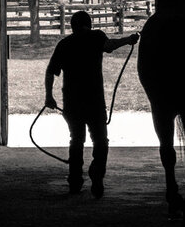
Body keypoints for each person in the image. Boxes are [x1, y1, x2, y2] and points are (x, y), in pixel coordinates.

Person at [45, 10, 139, 197]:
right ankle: (97, 178)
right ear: (89, 24)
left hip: (72, 102)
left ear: (72, 26)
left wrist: (49, 96)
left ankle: (75, 181)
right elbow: (110, 45)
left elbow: (51, 71)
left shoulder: (64, 44)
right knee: (101, 142)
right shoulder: (96, 37)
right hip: (94, 101)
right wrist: (129, 39)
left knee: (76, 140)